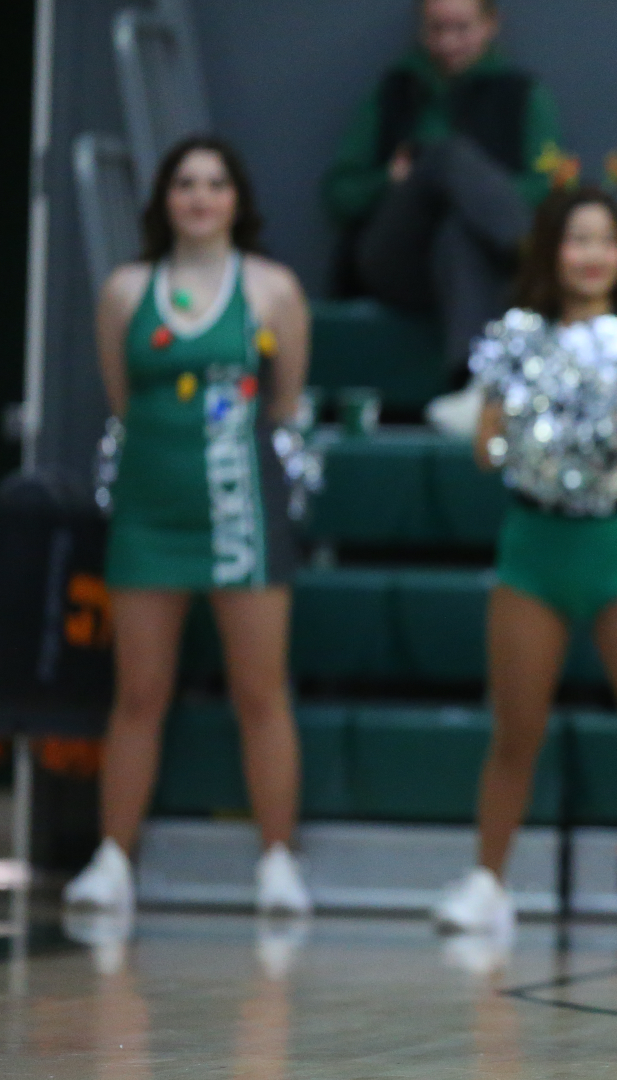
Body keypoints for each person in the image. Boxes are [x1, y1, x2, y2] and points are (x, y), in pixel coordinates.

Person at [428, 187, 617, 941]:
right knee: (516, 729)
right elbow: (486, 449)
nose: (593, 255)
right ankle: (488, 884)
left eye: (606, 240)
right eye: (577, 240)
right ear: (550, 250)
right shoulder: (518, 339)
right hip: (534, 545)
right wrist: (521, 431)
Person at [65, 137, 314, 917]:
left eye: (214, 183)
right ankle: (113, 861)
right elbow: (120, 396)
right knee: (138, 692)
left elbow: (282, 401)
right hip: (149, 512)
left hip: (241, 512)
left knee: (259, 692)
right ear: (163, 200)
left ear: (237, 199)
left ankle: (277, 862)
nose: (200, 197)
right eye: (184, 183)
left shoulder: (273, 289)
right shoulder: (124, 289)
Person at [321, 0, 561, 408]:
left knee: (459, 230)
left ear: (490, 25)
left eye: (462, 28)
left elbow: (549, 187)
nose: (448, 42)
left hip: (480, 267)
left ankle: (472, 386)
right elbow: (339, 193)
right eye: (436, 29)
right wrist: (390, 182)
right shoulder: (395, 91)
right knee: (445, 156)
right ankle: (530, 258)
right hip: (396, 262)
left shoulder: (524, 96)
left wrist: (480, 194)